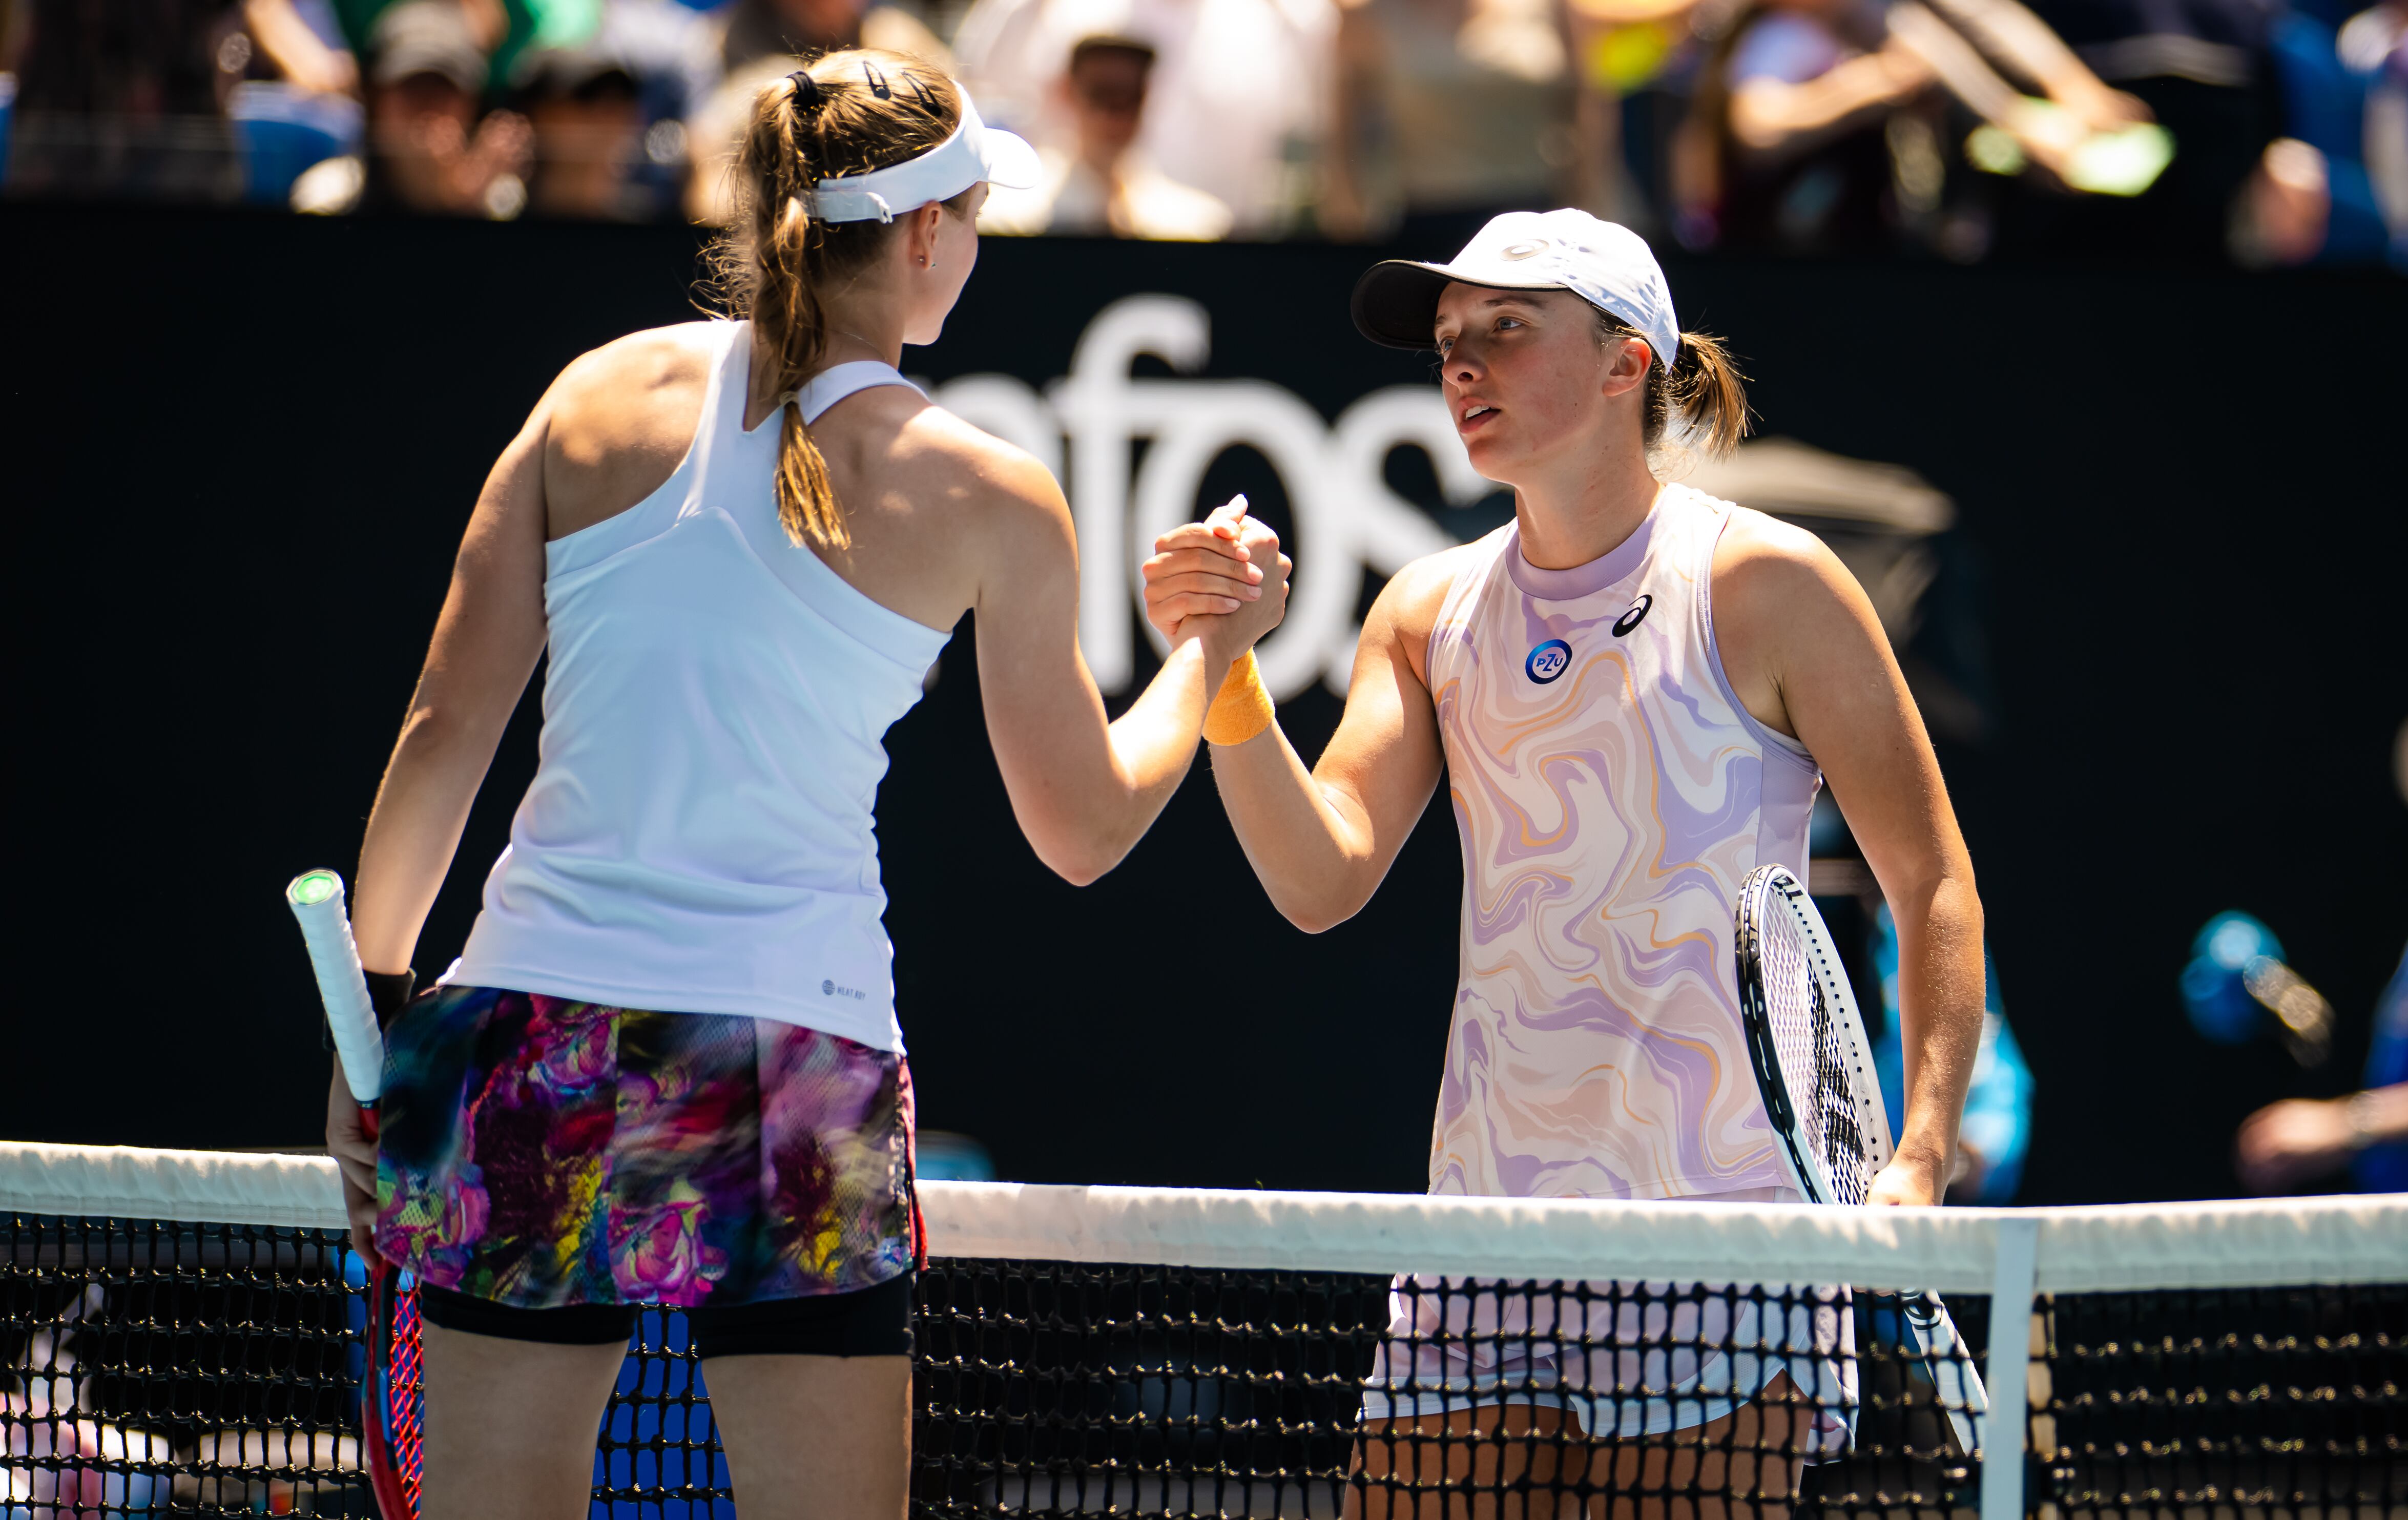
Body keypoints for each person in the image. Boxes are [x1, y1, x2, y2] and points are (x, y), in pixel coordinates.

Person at [319, 51, 1289, 1519]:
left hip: (522, 1035)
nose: (971, 246)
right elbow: (1085, 829)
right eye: (971, 214)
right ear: (919, 235)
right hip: (792, 1064)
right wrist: (1209, 651)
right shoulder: (986, 489)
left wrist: (371, 1023)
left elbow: (444, 728)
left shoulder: (593, 395)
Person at [1141, 207, 1985, 1514]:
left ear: (1625, 360)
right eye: (1448, 344)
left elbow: (1932, 878)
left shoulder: (1771, 583)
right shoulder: (1424, 609)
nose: (1462, 366)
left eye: (1505, 331)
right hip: (1479, 1243)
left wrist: (1918, 1152)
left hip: (1723, 1246)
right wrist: (1228, 672)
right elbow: (1320, 878)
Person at [977, 32, 1233, 238]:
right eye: (1100, 93)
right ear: (1068, 92)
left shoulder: (1197, 224)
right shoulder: (1010, 219)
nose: (1114, 113)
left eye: (1130, 96)